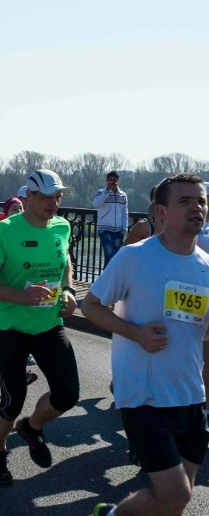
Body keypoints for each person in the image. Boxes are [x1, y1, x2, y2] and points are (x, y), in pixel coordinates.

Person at [83, 173, 208, 516]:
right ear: (161, 213)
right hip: (144, 396)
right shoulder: (135, 258)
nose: (196, 207)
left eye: (201, 201)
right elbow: (90, 306)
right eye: (185, 201)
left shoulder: (207, 269)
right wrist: (136, 333)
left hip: (191, 397)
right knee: (174, 496)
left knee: (173, 504)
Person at [0, 169, 79, 486]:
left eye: (58, 196)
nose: (54, 203)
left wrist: (69, 291)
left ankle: (31, 428)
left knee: (68, 394)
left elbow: (66, 263)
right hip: (13, 329)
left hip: (49, 325)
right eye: (47, 196)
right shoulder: (6, 230)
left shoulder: (62, 226)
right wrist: (21, 296)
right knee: (12, 402)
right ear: (29, 196)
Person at [0, 197, 40, 386]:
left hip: (24, 288)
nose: (19, 211)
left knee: (12, 323)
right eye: (14, 209)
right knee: (12, 325)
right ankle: (21, 370)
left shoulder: (27, 228)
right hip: (5, 288)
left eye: (21, 207)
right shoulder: (1, 230)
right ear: (5, 212)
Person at [93, 171, 129, 269]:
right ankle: (107, 280)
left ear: (118, 181)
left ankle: (106, 280)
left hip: (118, 230)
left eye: (114, 180)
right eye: (110, 180)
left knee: (113, 256)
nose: (112, 183)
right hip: (104, 229)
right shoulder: (101, 192)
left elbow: (125, 214)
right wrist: (106, 191)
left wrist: (124, 229)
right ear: (107, 181)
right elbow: (96, 204)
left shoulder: (123, 195)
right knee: (110, 253)